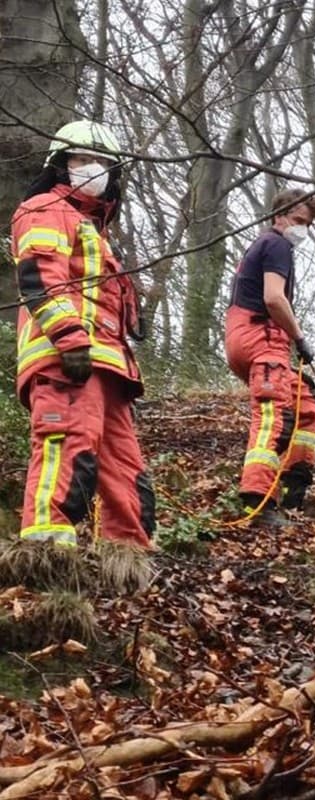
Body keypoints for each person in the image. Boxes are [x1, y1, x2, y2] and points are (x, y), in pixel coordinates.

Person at [9, 120, 154, 549]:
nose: (94, 168)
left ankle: (127, 566)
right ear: (60, 165)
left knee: (126, 473)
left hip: (106, 368)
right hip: (66, 359)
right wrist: (70, 341)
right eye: (83, 159)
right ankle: (46, 561)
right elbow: (41, 279)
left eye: (104, 162)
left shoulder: (95, 231)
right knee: (67, 450)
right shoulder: (44, 210)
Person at [224, 188, 315, 526]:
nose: (302, 230)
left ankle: (294, 488)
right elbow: (274, 299)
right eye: (297, 221)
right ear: (278, 216)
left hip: (246, 337)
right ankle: (259, 500)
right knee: (274, 414)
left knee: (305, 406)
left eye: (307, 224)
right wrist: (299, 338)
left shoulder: (263, 245)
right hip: (261, 338)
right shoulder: (277, 244)